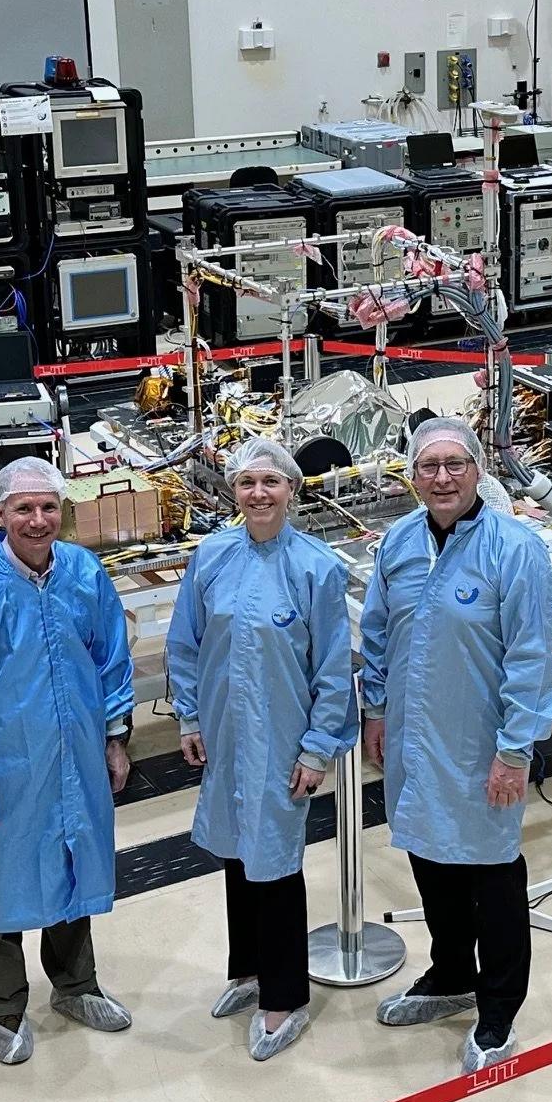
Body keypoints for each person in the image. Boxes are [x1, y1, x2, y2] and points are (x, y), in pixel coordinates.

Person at [358, 416, 552, 1072]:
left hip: (481, 745)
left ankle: (498, 1005)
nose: (441, 478)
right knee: (429, 855)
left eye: (454, 464)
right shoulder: (398, 544)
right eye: (428, 466)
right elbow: (379, 633)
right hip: (414, 738)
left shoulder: (515, 549)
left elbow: (532, 657)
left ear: (477, 470)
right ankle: (449, 973)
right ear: (412, 476)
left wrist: (514, 750)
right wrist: (376, 711)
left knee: (491, 872)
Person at [0, 456, 136, 1066]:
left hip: (77, 759)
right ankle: (4, 1006)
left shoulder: (84, 572)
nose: (38, 520)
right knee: (5, 881)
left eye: (48, 507)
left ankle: (75, 986)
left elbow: (111, 661)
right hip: (7, 766)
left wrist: (115, 738)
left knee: (74, 859)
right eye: (24, 508)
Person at [168, 437, 354, 1061]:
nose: (258, 494)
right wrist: (189, 717)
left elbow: (331, 668)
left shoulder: (316, 567)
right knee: (234, 850)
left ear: (293, 492)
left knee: (274, 864)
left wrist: (317, 748)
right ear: (233, 490)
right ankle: (246, 972)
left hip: (282, 741)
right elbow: (186, 646)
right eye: (247, 483)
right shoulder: (212, 557)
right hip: (224, 735)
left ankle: (284, 997)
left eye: (271, 483)